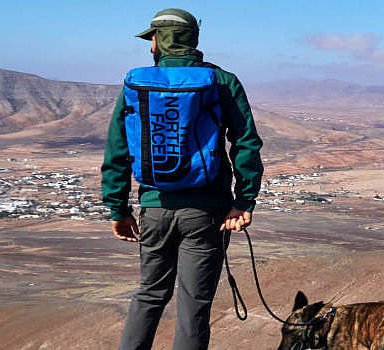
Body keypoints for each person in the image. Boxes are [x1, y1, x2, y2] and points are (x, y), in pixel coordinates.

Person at [100, 8, 263, 350]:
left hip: (155, 208)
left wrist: (118, 209)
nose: (150, 46)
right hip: (207, 213)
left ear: (159, 40)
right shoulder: (222, 81)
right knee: (194, 306)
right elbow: (245, 142)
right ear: (192, 39)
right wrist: (243, 202)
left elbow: (117, 148)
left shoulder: (136, 82)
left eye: (152, 39)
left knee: (149, 295)